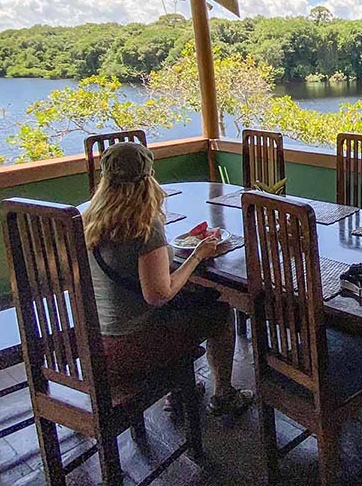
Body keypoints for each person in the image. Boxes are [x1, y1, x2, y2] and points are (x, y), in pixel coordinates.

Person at [82, 141, 253, 415]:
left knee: (190, 298)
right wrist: (197, 255)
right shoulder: (143, 225)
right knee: (219, 312)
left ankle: (181, 388)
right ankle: (223, 394)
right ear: (148, 177)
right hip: (132, 347)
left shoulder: (87, 220)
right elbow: (158, 294)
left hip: (94, 343)